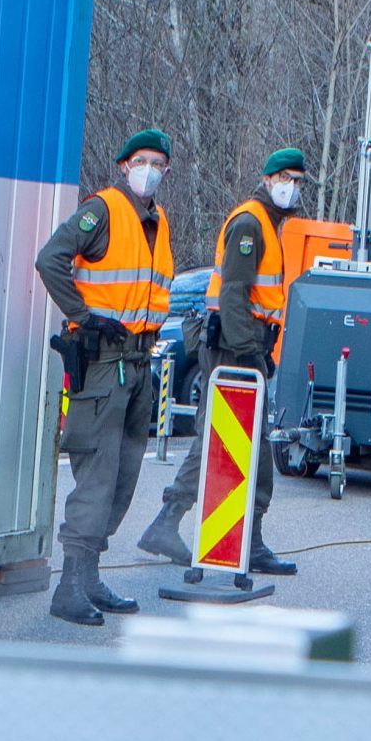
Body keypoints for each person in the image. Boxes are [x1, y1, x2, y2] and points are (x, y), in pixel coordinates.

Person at [137, 147, 307, 576]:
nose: (292, 186)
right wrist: (251, 353)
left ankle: (190, 526)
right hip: (235, 349)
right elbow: (234, 294)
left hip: (243, 347)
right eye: (285, 177)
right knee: (232, 444)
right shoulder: (250, 223)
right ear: (268, 179)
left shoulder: (266, 222)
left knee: (230, 442)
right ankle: (216, 531)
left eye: (298, 180)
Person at [36, 128, 175, 626]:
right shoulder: (104, 211)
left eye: (158, 164)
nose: (150, 170)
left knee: (123, 476)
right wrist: (83, 316)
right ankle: (69, 585)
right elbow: (50, 258)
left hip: (138, 365)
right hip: (103, 365)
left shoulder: (157, 222)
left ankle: (90, 575)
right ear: (124, 165)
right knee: (97, 474)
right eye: (142, 161)